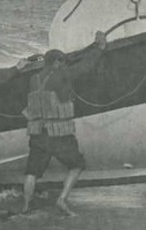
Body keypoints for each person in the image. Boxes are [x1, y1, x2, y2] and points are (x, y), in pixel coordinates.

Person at [20, 32, 107, 215]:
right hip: (58, 133)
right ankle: (62, 200)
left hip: (38, 132)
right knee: (77, 165)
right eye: (62, 63)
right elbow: (85, 67)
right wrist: (99, 49)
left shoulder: (33, 80)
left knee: (32, 171)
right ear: (57, 63)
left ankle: (25, 206)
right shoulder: (61, 75)